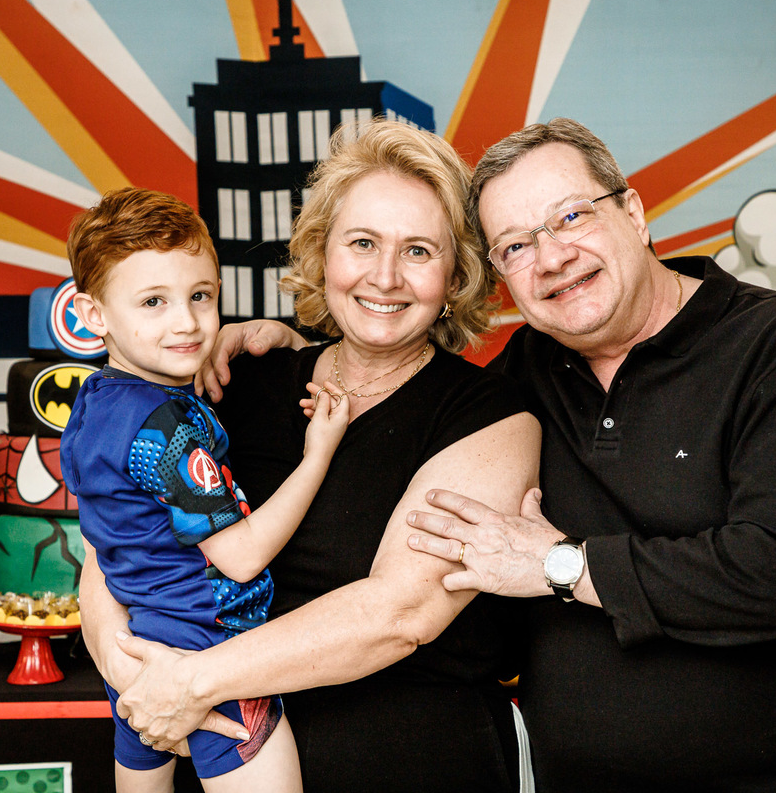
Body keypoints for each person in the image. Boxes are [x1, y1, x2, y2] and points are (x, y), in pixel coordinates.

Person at [204, 118, 776, 791]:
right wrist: (294, 346)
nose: (551, 257)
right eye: (515, 245)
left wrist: (561, 565)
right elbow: (389, 376)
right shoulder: (527, 375)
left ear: (633, 213)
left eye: (572, 217)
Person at [78, 123, 542, 792]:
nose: (385, 276)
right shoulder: (236, 381)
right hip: (204, 748)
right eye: (362, 243)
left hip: (406, 768)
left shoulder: (491, 416)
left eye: (418, 250)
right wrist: (131, 678)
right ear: (323, 254)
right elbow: (115, 540)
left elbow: (399, 615)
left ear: (456, 275)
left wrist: (189, 683)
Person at [60, 187, 349, 792]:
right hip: (211, 646)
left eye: (200, 296)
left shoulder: (93, 403)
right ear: (93, 315)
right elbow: (240, 556)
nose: (187, 323)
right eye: (153, 302)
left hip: (139, 648)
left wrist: (283, 341)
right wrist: (318, 454)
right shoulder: (166, 428)